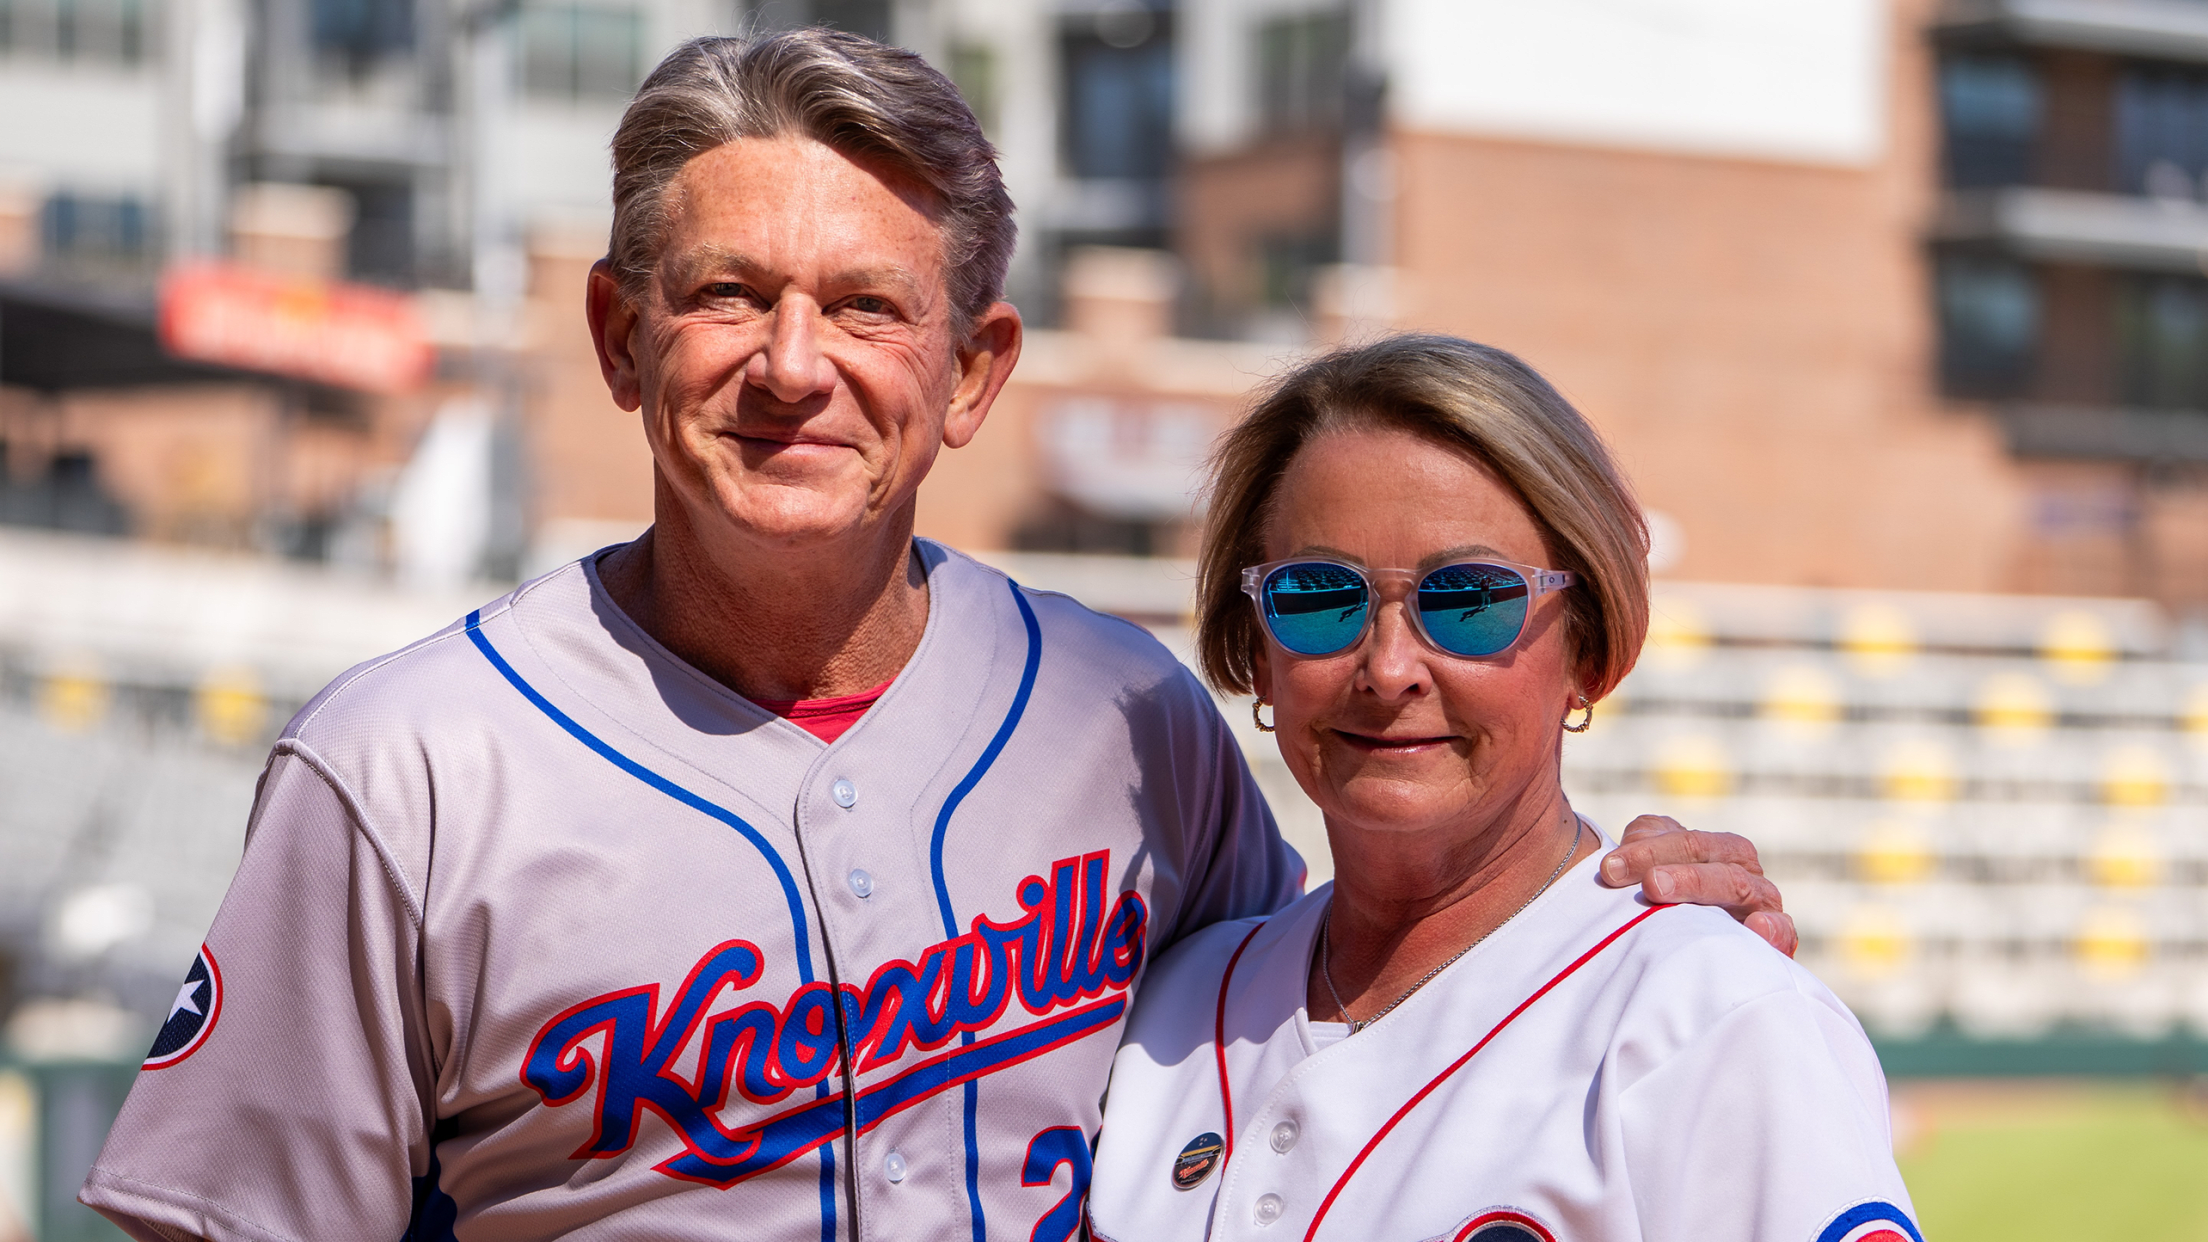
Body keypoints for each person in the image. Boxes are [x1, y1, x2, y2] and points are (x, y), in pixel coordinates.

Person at [82, 31, 1792, 1242]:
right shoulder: (401, 766)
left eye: (866, 306)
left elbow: (1343, 1025)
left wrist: (1623, 916)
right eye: (727, 293)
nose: (791, 364)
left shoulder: (1132, 724)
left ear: (971, 373)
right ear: (617, 336)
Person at [1086, 335, 1914, 1242]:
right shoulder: (1158, 1011)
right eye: (1319, 596)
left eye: (1468, 599)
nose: (1389, 667)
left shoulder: (1707, 1016)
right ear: (1257, 649)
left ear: (1588, 652)